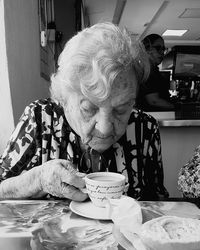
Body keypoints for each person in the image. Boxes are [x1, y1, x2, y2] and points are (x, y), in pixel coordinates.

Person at [0, 22, 169, 201]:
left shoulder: (145, 128)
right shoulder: (40, 118)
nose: (105, 129)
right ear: (64, 100)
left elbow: (157, 202)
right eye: (88, 108)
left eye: (121, 109)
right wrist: (38, 180)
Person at [137, 33, 174, 111]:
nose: (162, 52)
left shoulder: (153, 70)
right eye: (158, 48)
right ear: (146, 49)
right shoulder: (147, 71)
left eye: (163, 49)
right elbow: (154, 101)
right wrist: (177, 107)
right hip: (154, 117)